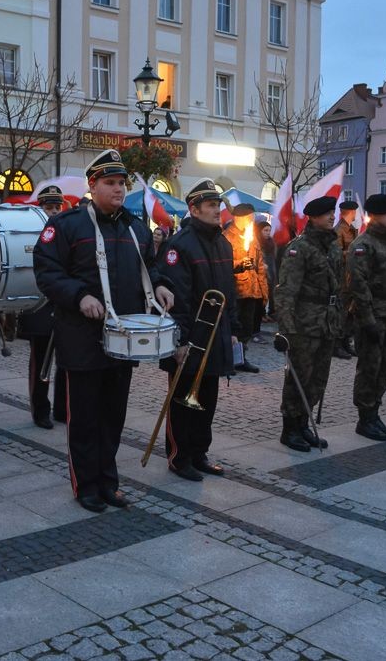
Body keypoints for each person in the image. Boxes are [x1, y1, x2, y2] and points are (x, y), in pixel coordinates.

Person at [34, 149, 174, 512]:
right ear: (92, 185)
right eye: (110, 183)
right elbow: (47, 273)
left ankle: (109, 482)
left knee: (113, 416)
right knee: (84, 417)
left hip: (123, 338)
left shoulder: (135, 226)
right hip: (81, 336)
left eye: (121, 183)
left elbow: (150, 266)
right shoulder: (66, 225)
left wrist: (158, 284)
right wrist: (79, 296)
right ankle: (86, 486)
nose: (118, 189)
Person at [157, 179, 241, 479]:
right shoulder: (178, 245)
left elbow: (229, 290)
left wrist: (233, 328)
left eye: (218, 205)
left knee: (208, 399)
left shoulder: (223, 242)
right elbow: (176, 298)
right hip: (190, 336)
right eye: (211, 205)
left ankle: (200, 452)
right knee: (182, 402)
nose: (218, 210)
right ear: (194, 209)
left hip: (216, 334)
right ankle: (180, 457)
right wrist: (178, 341)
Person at [273, 196, 340, 452]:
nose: (331, 217)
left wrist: (340, 320)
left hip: (326, 323)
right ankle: (289, 429)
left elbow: (338, 288)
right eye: (326, 214)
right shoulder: (299, 248)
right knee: (298, 377)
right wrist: (286, 330)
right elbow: (286, 291)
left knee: (318, 378)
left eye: (332, 213)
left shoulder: (332, 246)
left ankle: (303, 424)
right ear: (312, 217)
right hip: (303, 325)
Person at [347, 193, 386, 441]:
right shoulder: (363, 245)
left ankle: (374, 413)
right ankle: (365, 417)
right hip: (373, 317)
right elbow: (359, 286)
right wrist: (367, 320)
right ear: (375, 215)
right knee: (370, 368)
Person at [18, 185, 68, 429]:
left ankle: (62, 409)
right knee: (41, 361)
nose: (54, 212)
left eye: (57, 207)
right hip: (39, 304)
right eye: (49, 207)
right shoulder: (30, 232)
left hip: (64, 305)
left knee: (67, 361)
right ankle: (40, 410)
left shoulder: (68, 232)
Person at [224, 203, 265, 373]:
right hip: (235, 290)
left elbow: (260, 264)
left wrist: (263, 289)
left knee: (246, 327)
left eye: (252, 217)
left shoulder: (252, 237)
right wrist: (240, 263)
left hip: (251, 289)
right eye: (249, 217)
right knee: (233, 326)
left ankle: (241, 358)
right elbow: (223, 263)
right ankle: (229, 359)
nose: (251, 220)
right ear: (238, 218)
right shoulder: (226, 237)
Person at [334, 200, 360, 359]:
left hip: (351, 277)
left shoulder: (351, 230)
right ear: (351, 212)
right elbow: (337, 254)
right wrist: (353, 252)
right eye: (354, 211)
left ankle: (346, 342)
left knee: (350, 313)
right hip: (343, 278)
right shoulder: (340, 230)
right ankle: (336, 345)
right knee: (342, 312)